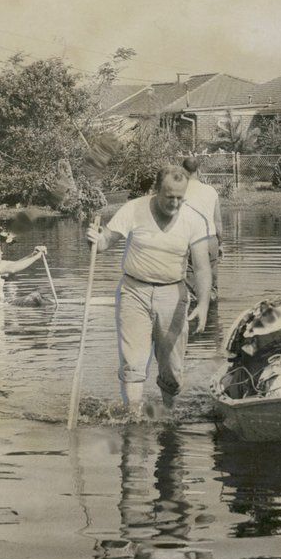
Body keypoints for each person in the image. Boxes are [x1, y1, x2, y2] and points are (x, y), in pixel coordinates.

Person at [86, 164, 212, 410]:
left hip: (173, 295)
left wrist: (204, 304)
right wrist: (93, 238)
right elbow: (103, 244)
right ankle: (134, 416)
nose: (175, 203)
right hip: (135, 292)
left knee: (173, 370)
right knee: (133, 362)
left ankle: (168, 414)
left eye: (180, 198)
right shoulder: (134, 209)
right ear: (156, 190)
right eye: (169, 197)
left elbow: (202, 267)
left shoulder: (194, 219)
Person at [181, 156, 223, 303]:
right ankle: (213, 322)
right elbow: (218, 222)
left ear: (183, 172)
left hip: (191, 241)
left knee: (193, 288)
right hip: (211, 239)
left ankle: (194, 322)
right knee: (211, 285)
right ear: (199, 171)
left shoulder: (179, 192)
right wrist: (220, 243)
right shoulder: (211, 191)